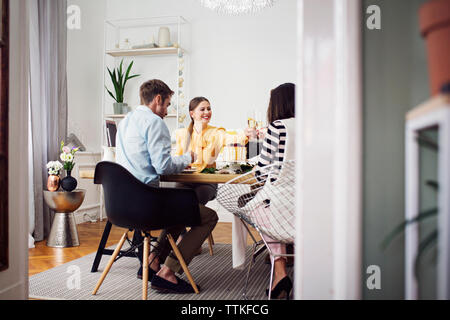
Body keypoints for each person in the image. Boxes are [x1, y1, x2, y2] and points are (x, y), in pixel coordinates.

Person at [115, 79, 219, 294]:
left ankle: (153, 262)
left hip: (121, 205)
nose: (167, 111)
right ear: (158, 99)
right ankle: (168, 273)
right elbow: (162, 167)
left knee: (181, 208)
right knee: (208, 217)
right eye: (168, 104)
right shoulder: (155, 122)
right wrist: (186, 158)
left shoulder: (125, 122)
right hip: (148, 203)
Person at [253, 82, 296, 299]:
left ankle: (279, 271)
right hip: (309, 204)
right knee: (272, 209)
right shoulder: (313, 125)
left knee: (258, 209)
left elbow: (261, 173)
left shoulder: (277, 127)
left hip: (279, 203)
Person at [174, 96, 254, 204]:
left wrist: (245, 134)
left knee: (195, 201)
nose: (207, 112)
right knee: (177, 202)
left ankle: (196, 219)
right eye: (202, 109)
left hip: (207, 182)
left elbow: (231, 137)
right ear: (192, 114)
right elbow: (177, 159)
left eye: (209, 108)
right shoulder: (182, 134)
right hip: (186, 180)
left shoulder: (216, 132)